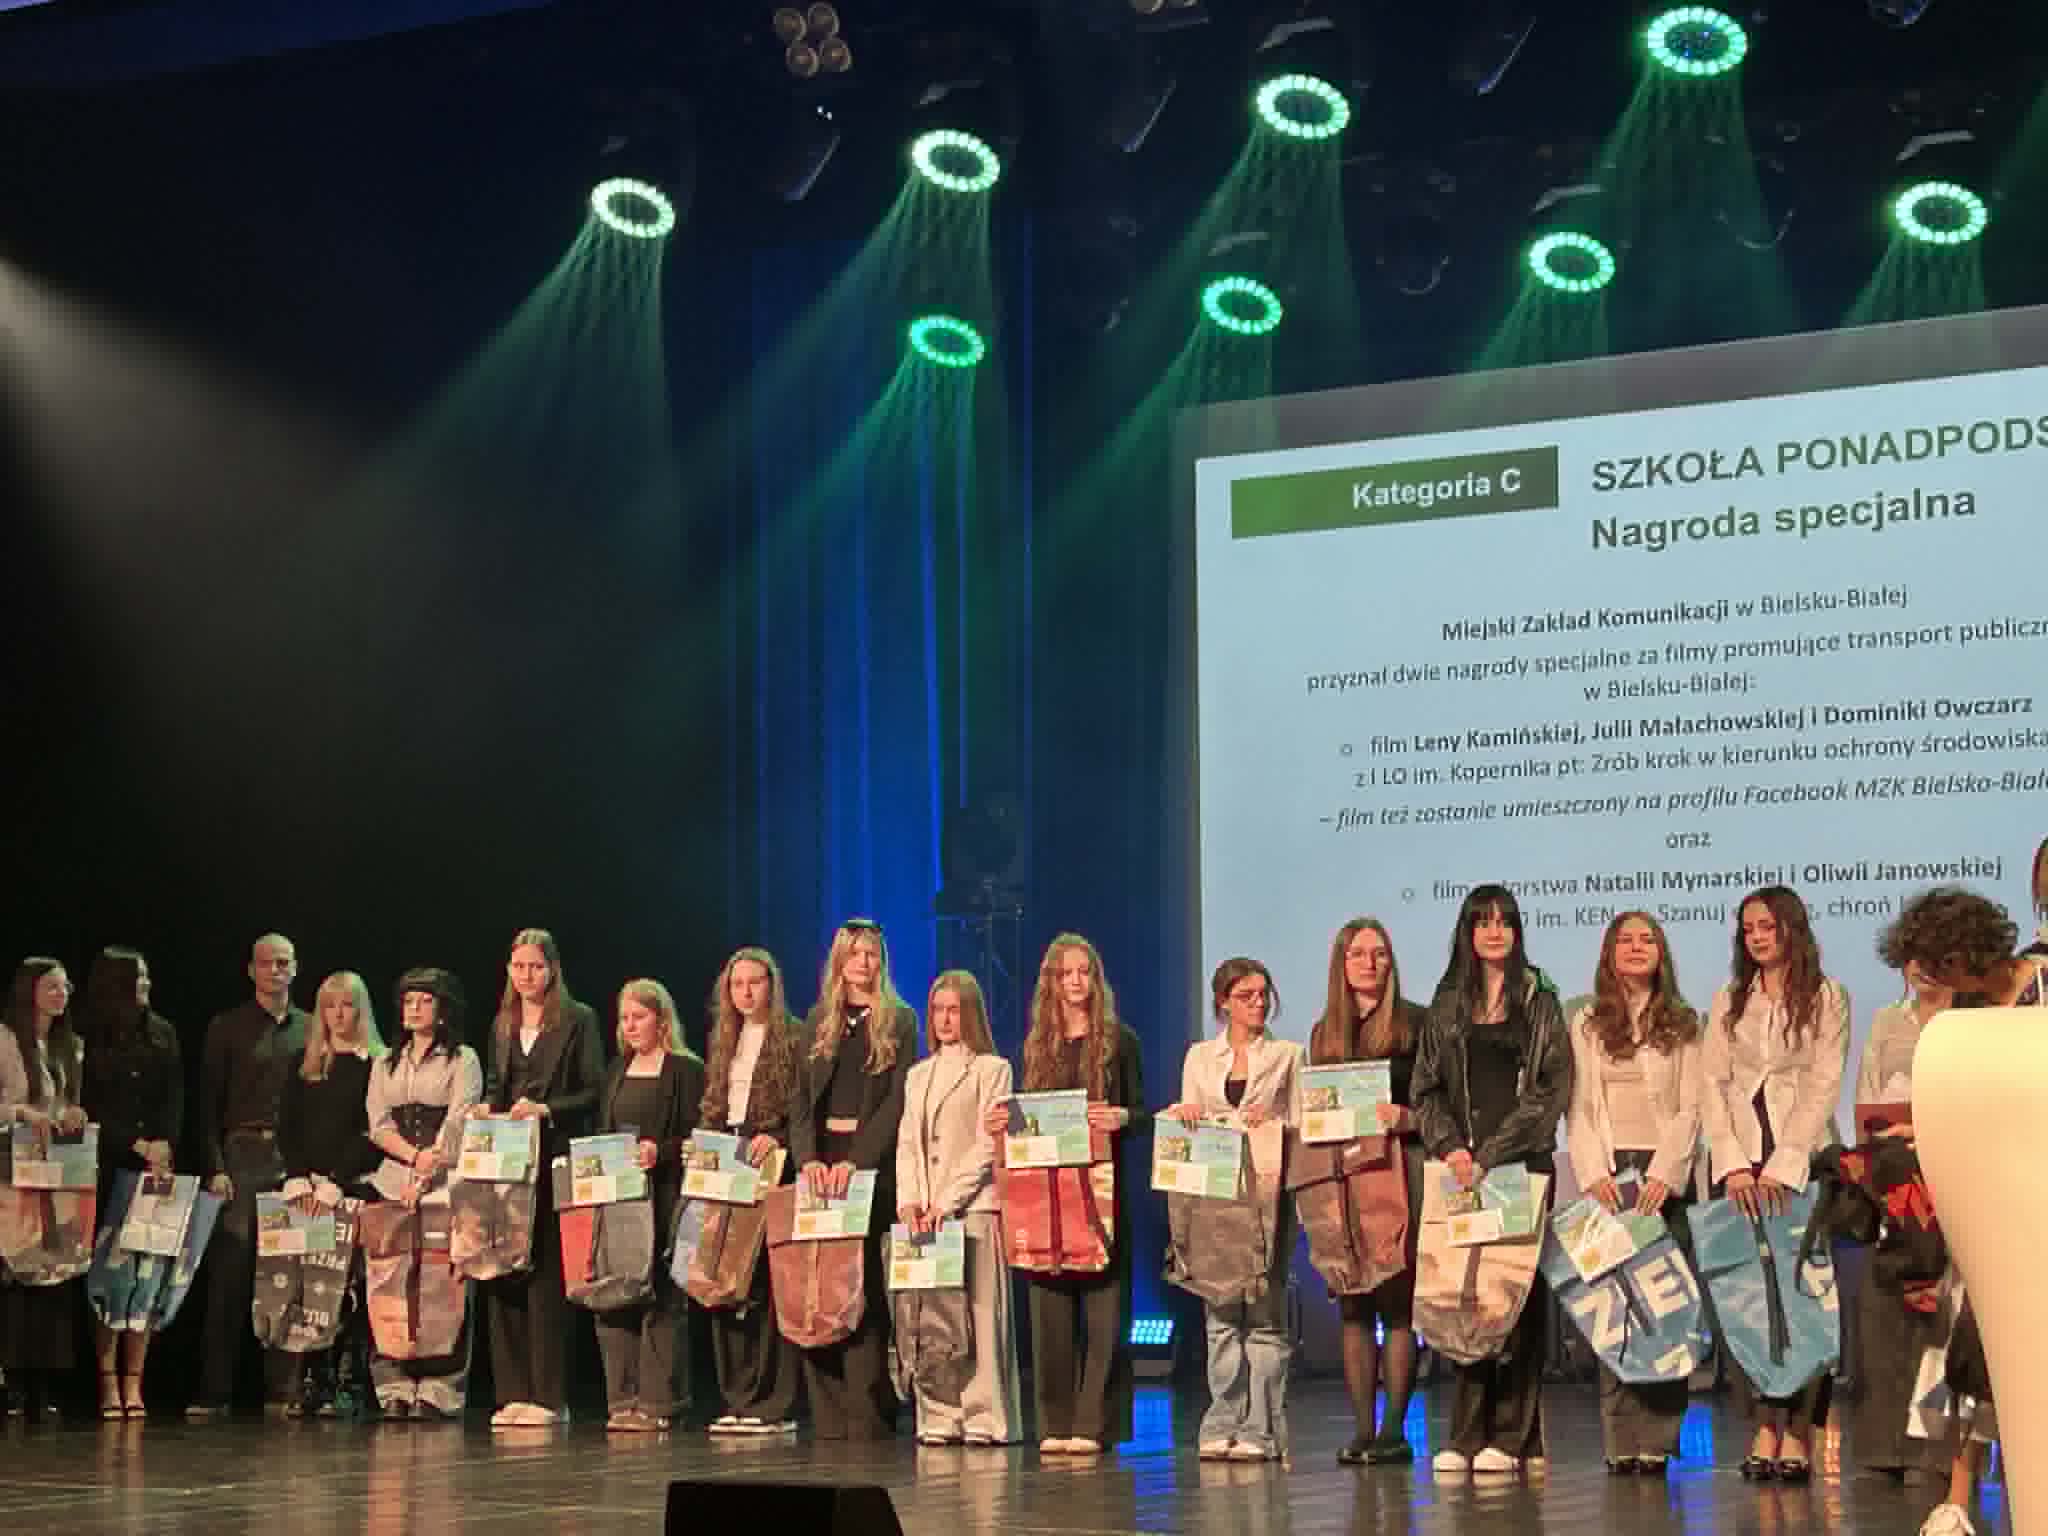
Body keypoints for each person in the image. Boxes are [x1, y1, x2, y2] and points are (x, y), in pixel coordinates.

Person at [1874, 886, 2046, 1536]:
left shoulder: (2042, 981)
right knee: (1973, 1351)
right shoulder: (1964, 1015)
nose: (1933, 978)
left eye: (1938, 962)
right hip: (1993, 1202)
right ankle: (1958, 1499)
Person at [1412, 884, 1570, 1477]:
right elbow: (1425, 1090)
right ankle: (1464, 1433)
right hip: (1461, 1171)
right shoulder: (1447, 1000)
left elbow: (1551, 1088)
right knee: (1465, 1297)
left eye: (1504, 921)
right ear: (1468, 932)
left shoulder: (1539, 997)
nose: (1494, 931)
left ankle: (1513, 1436)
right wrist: (1452, 1148)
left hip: (1519, 1168)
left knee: (1514, 1301)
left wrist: (1494, 1152)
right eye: (1483, 922)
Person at [1700, 885, 1850, 1482]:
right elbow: (1712, 1084)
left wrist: (1786, 1164)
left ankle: (1801, 1430)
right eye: (1748, 929)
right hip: (1740, 1163)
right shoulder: (1729, 998)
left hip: (1798, 1161)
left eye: (1767, 926)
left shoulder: (1827, 997)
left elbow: (1823, 1083)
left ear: (1792, 928)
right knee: (1748, 1298)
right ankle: (1764, 1422)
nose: (1758, 937)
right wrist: (1734, 1162)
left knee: (1804, 1295)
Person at [983, 932, 1150, 1458]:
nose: (1076, 982)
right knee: (1050, 1309)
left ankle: (1094, 1424)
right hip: (1045, 1193)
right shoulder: (1036, 1045)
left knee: (1104, 1313)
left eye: (1084, 972)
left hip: (1100, 1192)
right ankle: (1055, 1422)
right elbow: (1026, 1119)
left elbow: (1143, 1113)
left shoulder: (1120, 1042)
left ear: (1095, 980)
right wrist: (1001, 1122)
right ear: (1051, 983)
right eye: (1066, 973)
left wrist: (1121, 1117)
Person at [1562, 911, 1704, 1476]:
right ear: (1609, 952)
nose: (1637, 947)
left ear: (1661, 952)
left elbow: (1692, 1107)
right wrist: (1594, 1173)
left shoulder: (1684, 1022)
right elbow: (1579, 1105)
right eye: (1626, 939)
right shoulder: (1587, 1021)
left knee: (1665, 1311)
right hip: (1608, 1178)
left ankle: (1659, 1437)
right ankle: (1621, 1438)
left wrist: (1666, 1173)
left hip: (1662, 1179)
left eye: (1648, 939)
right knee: (1616, 1309)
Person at [1166, 956, 1302, 1463]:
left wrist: (1277, 1117)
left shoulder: (1287, 1055)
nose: (1258, 1003)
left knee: (1263, 1317)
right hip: (1215, 1200)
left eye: (1264, 994)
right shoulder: (1200, 1057)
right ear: (1223, 1002)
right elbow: (1186, 1118)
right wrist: (1186, 1113)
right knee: (1220, 1314)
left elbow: (1304, 1123)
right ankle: (1222, 1419)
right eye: (1247, 996)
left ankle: (1261, 1428)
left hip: (1266, 1200)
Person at [789, 919, 916, 1441]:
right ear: (839, 961)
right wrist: (807, 1160)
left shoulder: (900, 1020)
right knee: (818, 1283)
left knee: (862, 1284)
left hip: (868, 1167)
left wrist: (858, 1160)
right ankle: (828, 1411)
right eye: (855, 954)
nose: (864, 963)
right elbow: (800, 1100)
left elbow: (897, 1102)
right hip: (821, 1168)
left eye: (872, 954)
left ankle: (868, 1410)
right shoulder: (818, 1020)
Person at [1309, 918, 1429, 1467]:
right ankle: (1362, 1430)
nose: (1369, 962)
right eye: (1357, 953)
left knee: (1397, 1304)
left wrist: (1407, 1117)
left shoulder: (1416, 1023)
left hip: (1400, 1169)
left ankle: (1395, 1431)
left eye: (1379, 953)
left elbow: (1439, 1105)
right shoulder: (1324, 1033)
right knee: (1353, 1303)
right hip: (1343, 1176)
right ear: (1341, 962)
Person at [475, 928, 605, 1429]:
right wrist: (486, 1108)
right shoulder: (502, 1022)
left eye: (535, 967)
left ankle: (549, 1398)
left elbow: (593, 1090)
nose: (526, 976)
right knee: (502, 1268)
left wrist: (546, 1109)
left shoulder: (577, 1020)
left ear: (552, 970)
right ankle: (512, 1392)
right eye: (518, 967)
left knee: (546, 1275)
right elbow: (496, 1085)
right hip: (507, 1164)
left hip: (552, 1156)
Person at [893, 969, 1019, 1446]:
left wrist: (947, 1202)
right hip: (925, 1214)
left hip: (973, 1209)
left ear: (971, 1014)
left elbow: (990, 1144)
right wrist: (910, 1199)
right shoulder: (918, 1075)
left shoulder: (992, 1069)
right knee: (933, 1319)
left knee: (980, 1314)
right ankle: (940, 1413)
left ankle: (984, 1415)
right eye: (938, 1010)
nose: (945, 1019)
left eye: (954, 1010)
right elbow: (908, 1143)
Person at [190, 933, 309, 1420]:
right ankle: (213, 1391)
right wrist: (215, 1167)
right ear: (251, 970)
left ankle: (283, 1391)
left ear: (295, 968)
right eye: (266, 963)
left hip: (292, 1160)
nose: (275, 971)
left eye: (283, 963)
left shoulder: (311, 1028)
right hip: (241, 1156)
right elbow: (206, 1106)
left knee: (288, 1275)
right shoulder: (227, 1027)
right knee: (230, 1275)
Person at [697, 946, 805, 1436]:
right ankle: (737, 1397)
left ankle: (771, 1402)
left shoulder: (793, 1038)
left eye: (754, 982)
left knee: (763, 1284)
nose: (745, 992)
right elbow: (712, 1106)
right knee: (724, 1279)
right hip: (727, 1163)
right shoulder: (724, 1040)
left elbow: (800, 1110)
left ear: (771, 986)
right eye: (737, 984)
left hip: (769, 1164)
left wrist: (777, 1137)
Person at [366, 967, 481, 1420]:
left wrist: (430, 1168)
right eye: (408, 1001)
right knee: (389, 1282)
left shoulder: (462, 1059)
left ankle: (440, 1386)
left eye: (424, 1001)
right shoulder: (385, 1061)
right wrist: (412, 1160)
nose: (414, 1009)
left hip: (445, 1181)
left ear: (443, 1008)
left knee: (445, 1285)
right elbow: (378, 1124)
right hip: (394, 1179)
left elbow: (459, 1118)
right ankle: (392, 1384)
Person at [595, 978, 705, 1433]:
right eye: (624, 1018)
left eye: (638, 1016)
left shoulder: (684, 1069)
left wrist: (660, 1151)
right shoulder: (617, 1069)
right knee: (617, 1291)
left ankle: (661, 1401)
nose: (629, 1025)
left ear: (661, 1020)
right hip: (620, 1196)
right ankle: (622, 1398)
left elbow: (698, 1133)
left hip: (665, 1192)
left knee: (661, 1293)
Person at [76, 946, 181, 1419]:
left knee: (147, 1274)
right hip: (105, 1167)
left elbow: (175, 1098)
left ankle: (135, 1379)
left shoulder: (163, 1033)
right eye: (138, 979)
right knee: (108, 1276)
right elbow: (89, 1105)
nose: (147, 986)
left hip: (153, 1168)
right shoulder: (88, 1035)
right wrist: (137, 1144)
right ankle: (106, 1381)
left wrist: (164, 1147)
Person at [277, 971, 386, 1416]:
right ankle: (313, 1380)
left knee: (350, 1286)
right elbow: (287, 1126)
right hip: (308, 1191)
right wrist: (300, 1178)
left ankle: (350, 1382)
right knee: (311, 1287)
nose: (338, 1015)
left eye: (347, 1006)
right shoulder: (304, 1063)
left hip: (352, 1187)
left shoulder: (375, 1063)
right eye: (330, 1006)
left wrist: (336, 1182)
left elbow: (370, 1131)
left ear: (361, 1011)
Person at [0, 958, 86, 1422]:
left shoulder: (69, 1046)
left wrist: (72, 1113)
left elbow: (68, 1102)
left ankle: (45, 1383)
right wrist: (21, 1113)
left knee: (54, 1268)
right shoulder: (4, 1039)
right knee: (16, 1268)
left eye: (65, 987)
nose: (60, 994)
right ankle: (12, 1381)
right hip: (11, 1167)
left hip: (57, 1171)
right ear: (29, 990)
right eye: (52, 986)